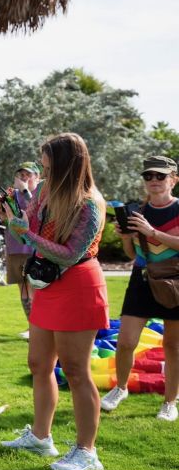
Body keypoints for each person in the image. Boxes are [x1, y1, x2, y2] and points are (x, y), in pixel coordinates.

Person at [0, 133, 109, 470]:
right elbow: (30, 225)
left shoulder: (90, 203)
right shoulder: (47, 189)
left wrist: (27, 234)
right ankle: (41, 437)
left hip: (78, 284)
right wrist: (16, 220)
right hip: (48, 285)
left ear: (65, 163)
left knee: (76, 371)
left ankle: (87, 452)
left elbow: (70, 253)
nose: (41, 165)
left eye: (47, 160)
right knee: (39, 363)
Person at [101, 155, 179, 422]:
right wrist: (126, 238)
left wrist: (151, 231)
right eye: (148, 176)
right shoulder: (138, 211)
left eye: (160, 176)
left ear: (174, 180)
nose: (154, 181)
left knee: (174, 346)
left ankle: (169, 401)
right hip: (142, 279)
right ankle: (120, 388)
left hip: (175, 282)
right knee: (125, 343)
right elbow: (130, 254)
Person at [5, 162, 41, 339]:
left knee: (35, 288)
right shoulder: (13, 196)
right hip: (15, 246)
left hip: (35, 248)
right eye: (21, 175)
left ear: (37, 177)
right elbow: (10, 220)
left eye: (28, 175)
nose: (24, 178)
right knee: (23, 289)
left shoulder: (40, 194)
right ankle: (31, 327)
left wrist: (26, 191)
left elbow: (38, 212)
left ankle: (39, 327)